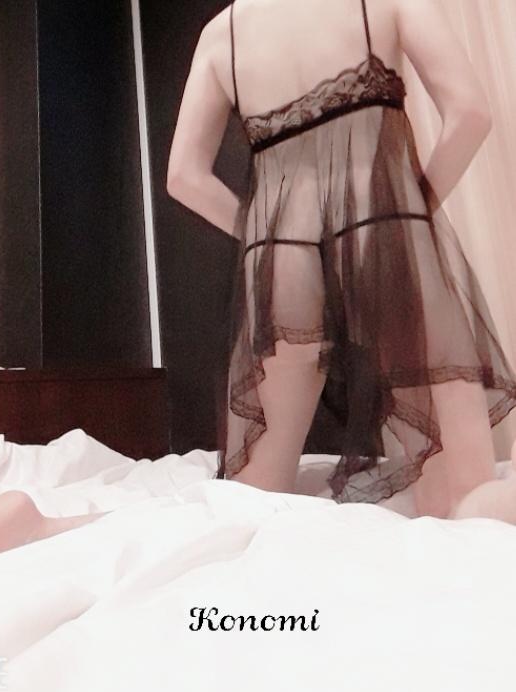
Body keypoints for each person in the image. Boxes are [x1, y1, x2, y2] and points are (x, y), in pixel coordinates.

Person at [167, 0, 516, 521]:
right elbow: (470, 114)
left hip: (281, 257)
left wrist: (263, 236)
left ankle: (66, 525)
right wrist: (408, 216)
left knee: (249, 503)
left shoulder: (222, 33)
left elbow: (183, 177)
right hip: (381, 235)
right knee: (465, 499)